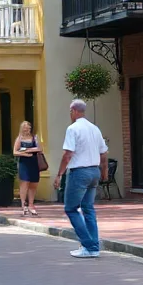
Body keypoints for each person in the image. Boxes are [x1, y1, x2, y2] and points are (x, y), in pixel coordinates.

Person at [52, 99, 108, 258]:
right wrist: (104, 171)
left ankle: (88, 245)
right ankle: (94, 246)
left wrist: (59, 174)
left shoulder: (73, 129)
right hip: (93, 171)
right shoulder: (94, 128)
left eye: (70, 111)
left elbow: (68, 154)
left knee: (71, 208)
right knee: (88, 208)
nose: (70, 114)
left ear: (74, 111)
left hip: (79, 173)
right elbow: (103, 153)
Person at [12, 120, 43, 217]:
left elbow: (40, 148)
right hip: (24, 163)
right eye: (25, 128)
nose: (27, 129)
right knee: (24, 183)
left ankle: (31, 205)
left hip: (34, 162)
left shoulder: (35, 137)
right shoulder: (19, 138)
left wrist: (28, 149)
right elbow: (15, 152)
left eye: (28, 127)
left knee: (34, 183)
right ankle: (23, 205)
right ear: (22, 129)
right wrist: (25, 154)